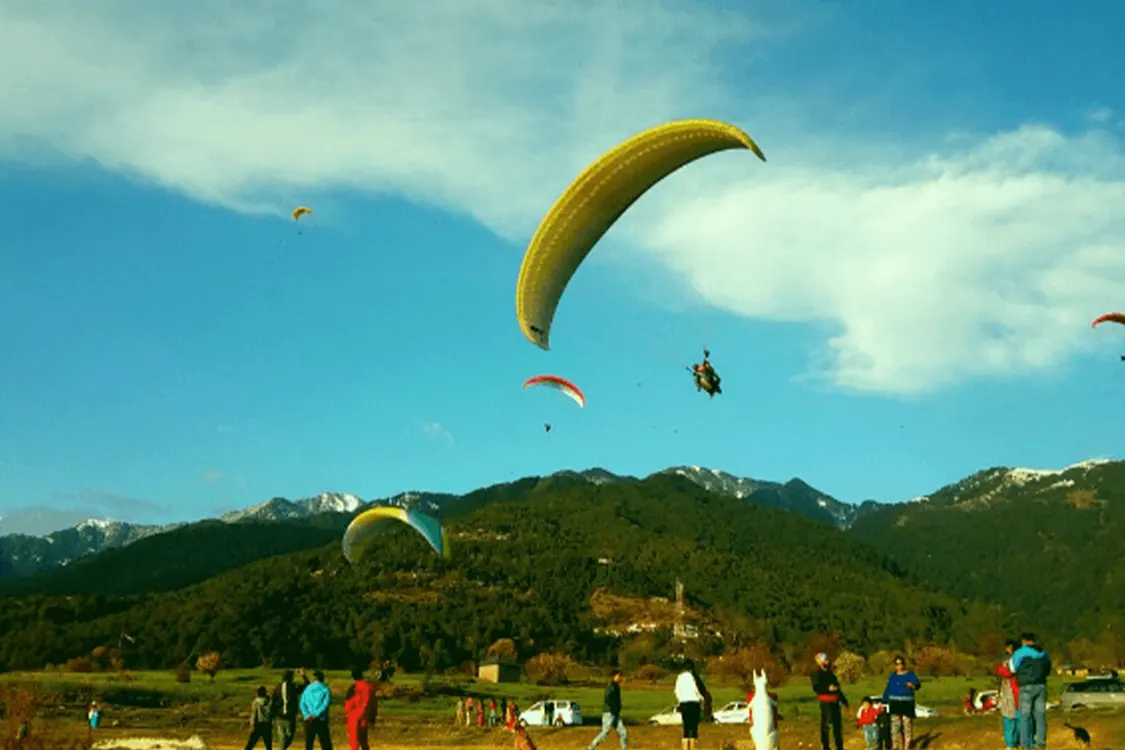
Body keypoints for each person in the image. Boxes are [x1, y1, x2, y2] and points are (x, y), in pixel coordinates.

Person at [1011, 632, 1051, 750]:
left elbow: (1013, 668)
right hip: (1041, 685)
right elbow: (1048, 667)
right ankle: (1041, 743)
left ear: (1023, 641)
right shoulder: (1044, 652)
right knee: (1040, 715)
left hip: (1026, 686)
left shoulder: (1020, 652)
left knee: (1025, 715)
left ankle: (1026, 744)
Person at [811, 652, 848, 750]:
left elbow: (838, 688)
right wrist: (828, 688)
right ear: (819, 661)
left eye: (827, 660)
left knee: (837, 725)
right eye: (824, 660)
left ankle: (839, 746)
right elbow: (816, 687)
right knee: (826, 725)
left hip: (835, 701)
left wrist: (844, 700)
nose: (827, 662)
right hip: (825, 702)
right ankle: (826, 746)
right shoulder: (816, 674)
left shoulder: (831, 674)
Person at [882, 655, 921, 750]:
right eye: (897, 664)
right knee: (895, 726)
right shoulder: (893, 676)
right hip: (895, 702)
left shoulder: (910, 675)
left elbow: (917, 685)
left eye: (900, 664)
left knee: (907, 725)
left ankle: (907, 746)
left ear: (904, 664)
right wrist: (884, 700)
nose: (899, 666)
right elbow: (888, 688)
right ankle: (895, 746)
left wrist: (912, 685)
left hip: (907, 703)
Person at [674, 660, 709, 750]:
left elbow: (677, 691)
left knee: (686, 728)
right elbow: (697, 690)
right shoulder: (694, 677)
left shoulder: (680, 677)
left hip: (684, 703)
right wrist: (702, 699)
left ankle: (685, 748)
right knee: (694, 729)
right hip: (694, 703)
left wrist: (680, 700)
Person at [588, 670, 627, 750]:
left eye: (620, 676)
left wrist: (618, 707)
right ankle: (591, 747)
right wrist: (614, 707)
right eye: (618, 676)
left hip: (616, 713)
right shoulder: (611, 686)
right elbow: (608, 698)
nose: (620, 677)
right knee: (605, 732)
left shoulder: (616, 686)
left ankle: (624, 748)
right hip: (609, 713)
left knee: (623, 732)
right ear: (614, 677)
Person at [996, 639, 1022, 750]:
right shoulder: (1008, 660)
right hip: (1010, 693)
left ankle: (1013, 743)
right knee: (1012, 720)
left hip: (1015, 692)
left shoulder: (1016, 660)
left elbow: (1004, 671)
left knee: (1014, 720)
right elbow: (1002, 671)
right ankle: (1012, 743)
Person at [299, 670, 333, 750]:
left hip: (308, 720)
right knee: (325, 743)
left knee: (309, 743)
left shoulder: (307, 689)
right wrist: (316, 714)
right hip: (321, 719)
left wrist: (306, 715)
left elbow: (302, 703)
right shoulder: (325, 689)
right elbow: (325, 704)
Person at [344, 669, 376, 750]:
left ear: (353, 677)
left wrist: (347, 712)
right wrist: (373, 716)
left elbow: (349, 703)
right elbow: (373, 703)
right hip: (365, 715)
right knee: (363, 740)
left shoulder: (354, 687)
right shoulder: (370, 687)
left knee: (354, 740)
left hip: (353, 715)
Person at [272, 670, 305, 750]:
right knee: (288, 735)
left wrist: (273, 713)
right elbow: (306, 685)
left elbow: (273, 701)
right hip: (288, 715)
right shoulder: (293, 687)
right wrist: (303, 675)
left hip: (281, 715)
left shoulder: (278, 687)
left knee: (284, 736)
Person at [246, 686, 273, 750]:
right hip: (267, 723)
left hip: (258, 723)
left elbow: (254, 713)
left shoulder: (255, 702)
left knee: (251, 742)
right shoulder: (269, 701)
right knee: (268, 744)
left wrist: (252, 723)